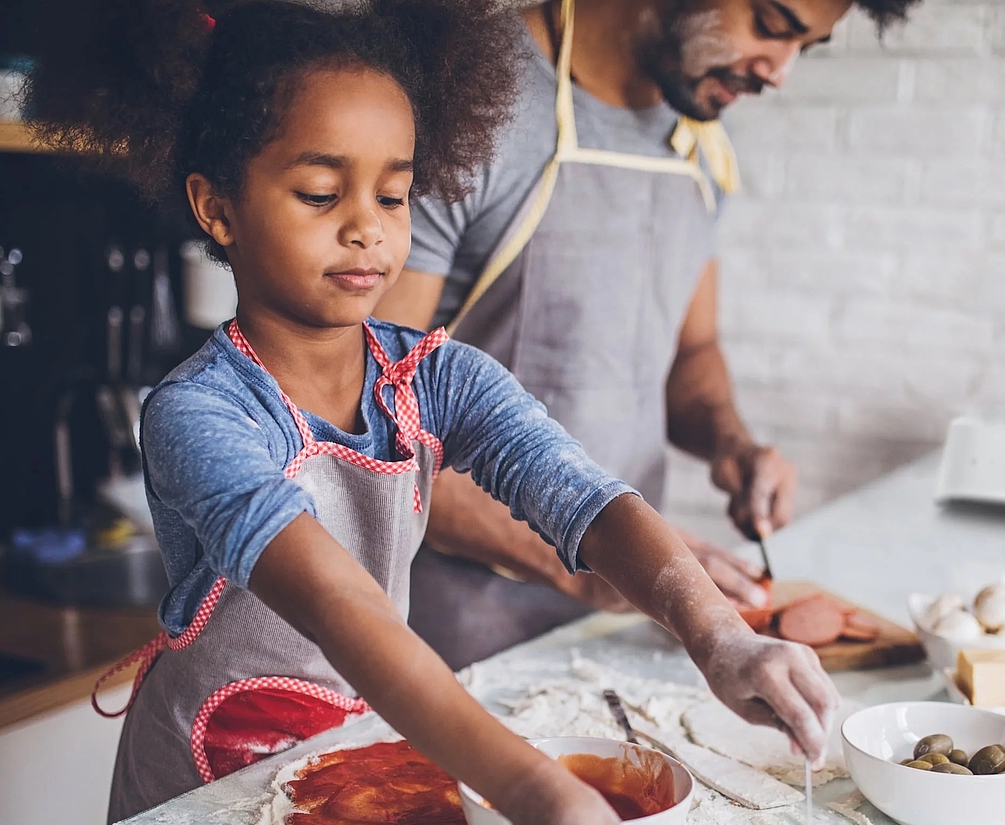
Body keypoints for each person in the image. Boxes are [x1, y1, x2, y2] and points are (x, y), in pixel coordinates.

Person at [30, 0, 838, 825]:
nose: (368, 232)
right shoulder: (200, 416)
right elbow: (346, 611)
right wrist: (530, 784)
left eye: (394, 195)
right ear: (218, 208)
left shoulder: (436, 376)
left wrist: (718, 634)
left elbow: (582, 494)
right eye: (321, 194)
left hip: (343, 761)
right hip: (198, 789)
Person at [375, 0, 918, 671]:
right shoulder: (469, 101)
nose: (780, 72)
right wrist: (599, 564)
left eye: (809, 46)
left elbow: (688, 353)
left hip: (622, 619)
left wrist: (731, 440)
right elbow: (372, 420)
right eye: (773, 26)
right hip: (452, 629)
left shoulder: (696, 138)